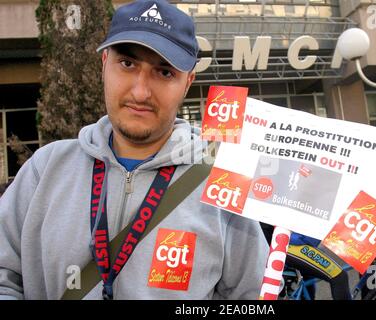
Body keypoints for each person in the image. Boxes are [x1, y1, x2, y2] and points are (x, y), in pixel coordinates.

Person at [0, 0, 268, 300]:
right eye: (127, 64)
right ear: (104, 64)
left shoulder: (221, 183)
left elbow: (251, 298)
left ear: (188, 82)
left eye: (164, 72)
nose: (140, 92)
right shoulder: (45, 169)